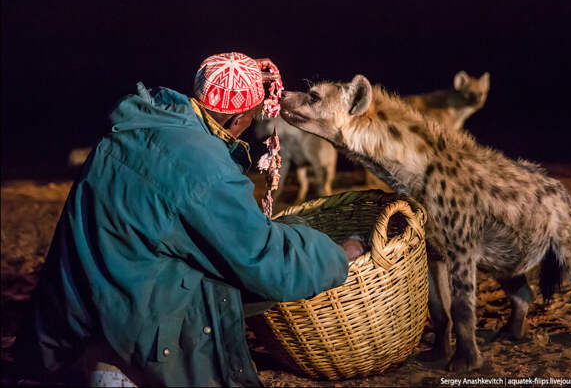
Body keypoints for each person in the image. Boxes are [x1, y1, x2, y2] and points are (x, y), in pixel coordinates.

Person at [13, 52, 364, 387]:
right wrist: (339, 255)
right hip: (128, 330)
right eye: (251, 116)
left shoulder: (145, 119)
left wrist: (237, 76)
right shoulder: (202, 169)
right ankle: (121, 367)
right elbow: (268, 261)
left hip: (73, 320)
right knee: (263, 261)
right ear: (236, 119)